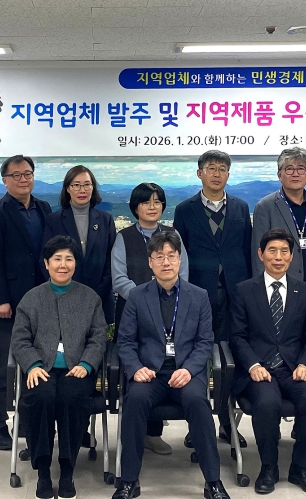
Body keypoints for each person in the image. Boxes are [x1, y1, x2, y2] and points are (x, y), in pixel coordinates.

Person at [113, 231, 230, 499]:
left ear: (179, 260)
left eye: (171, 256)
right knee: (134, 400)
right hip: (150, 373)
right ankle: (128, 480)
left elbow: (205, 341)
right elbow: (125, 341)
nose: (166, 262)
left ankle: (213, 481)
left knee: (198, 402)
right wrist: (136, 368)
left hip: (187, 372)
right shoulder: (137, 296)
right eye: (159, 257)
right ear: (150, 262)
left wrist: (189, 369)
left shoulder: (198, 296)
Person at [230, 228, 306, 496]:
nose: (278, 257)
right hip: (260, 370)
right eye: (272, 251)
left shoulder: (305, 291)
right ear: (260, 254)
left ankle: (301, 467)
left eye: (284, 251)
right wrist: (253, 365)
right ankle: (269, 467)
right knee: (267, 403)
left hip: (294, 368)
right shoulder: (244, 290)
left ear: (292, 256)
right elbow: (237, 337)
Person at [11, 235, 107, 499]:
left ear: (75, 263)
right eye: (57, 259)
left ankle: (67, 470)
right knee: (40, 397)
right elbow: (20, 339)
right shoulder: (31, 299)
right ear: (46, 263)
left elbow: (99, 337)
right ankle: (43, 471)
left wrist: (86, 364)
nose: (63, 265)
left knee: (71, 397)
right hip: (41, 369)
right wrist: (32, 365)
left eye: (69, 259)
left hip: (77, 370)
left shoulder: (90, 298)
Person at [174, 150, 251, 448]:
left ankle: (227, 424)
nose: (217, 173)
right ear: (200, 173)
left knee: (232, 359)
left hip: (234, 294)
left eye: (222, 169)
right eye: (211, 168)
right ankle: (197, 424)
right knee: (197, 359)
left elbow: (247, 250)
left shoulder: (241, 207)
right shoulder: (185, 209)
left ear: (228, 174)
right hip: (197, 294)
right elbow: (180, 254)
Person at [111, 181, 188, 455]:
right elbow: (119, 278)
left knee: (161, 365)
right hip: (133, 313)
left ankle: (153, 434)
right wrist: (144, 299)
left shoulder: (172, 234)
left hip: (170, 312)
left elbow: (183, 273)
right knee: (139, 370)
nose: (152, 207)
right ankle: (134, 433)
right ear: (135, 207)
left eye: (157, 202)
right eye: (146, 202)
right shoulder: (124, 237)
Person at [0, 154, 51, 450]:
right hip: (8, 303)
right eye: (17, 175)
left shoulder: (43, 208)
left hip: (41, 300)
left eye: (28, 174)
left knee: (35, 362)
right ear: (5, 180)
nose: (24, 179)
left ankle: (26, 421)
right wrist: (0, 300)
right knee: (3, 366)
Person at [252, 147, 306, 321]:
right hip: (280, 290)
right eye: (289, 169)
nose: (295, 173)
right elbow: (259, 256)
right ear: (279, 174)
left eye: (301, 168)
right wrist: (261, 295)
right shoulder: (265, 207)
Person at [44, 165, 117, 325]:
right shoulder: (54, 220)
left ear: (93, 188)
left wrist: (98, 293)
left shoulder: (105, 220)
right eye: (76, 185)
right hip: (63, 299)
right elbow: (47, 259)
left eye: (87, 185)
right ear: (67, 189)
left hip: (100, 299)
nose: (82, 190)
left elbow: (112, 262)